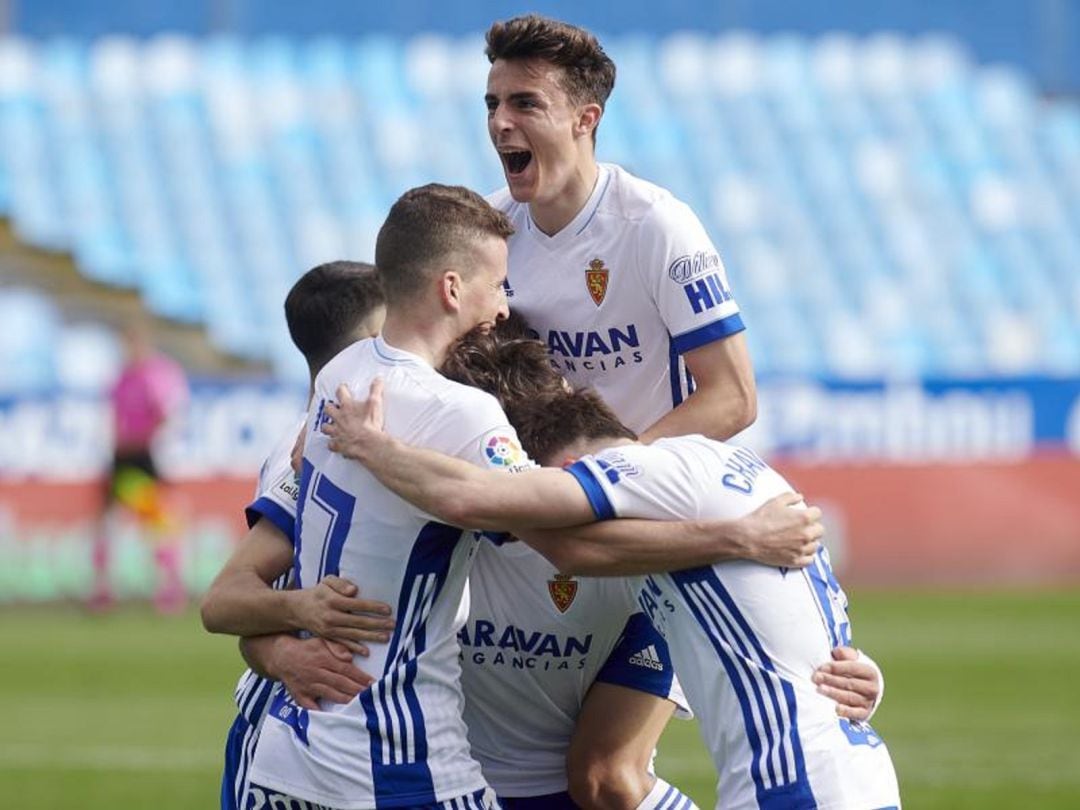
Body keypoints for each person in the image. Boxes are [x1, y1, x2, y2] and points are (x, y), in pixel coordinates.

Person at [477, 17, 885, 807]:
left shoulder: (655, 225)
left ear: (584, 118)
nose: (500, 123)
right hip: (544, 536)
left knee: (605, 777)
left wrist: (612, 477)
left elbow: (732, 396)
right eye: (491, 102)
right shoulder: (494, 236)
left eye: (524, 103)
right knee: (522, 777)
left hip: (649, 535)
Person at [319, 380, 902, 810]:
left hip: (793, 784)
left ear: (571, 470)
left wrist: (373, 446)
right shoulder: (729, 483)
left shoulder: (654, 471)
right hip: (853, 772)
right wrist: (864, 679)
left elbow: (499, 508)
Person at [201, 261, 394, 810]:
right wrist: (294, 634)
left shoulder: (344, 435)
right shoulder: (309, 450)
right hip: (297, 730)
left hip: (361, 734)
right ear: (371, 343)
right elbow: (226, 601)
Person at [91, 317, 189, 613]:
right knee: (108, 523)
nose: (129, 349)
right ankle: (103, 588)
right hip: (122, 457)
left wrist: (145, 438)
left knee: (156, 522)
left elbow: (166, 412)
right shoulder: (121, 377)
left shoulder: (154, 375)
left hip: (143, 456)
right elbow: (114, 416)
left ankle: (169, 589)